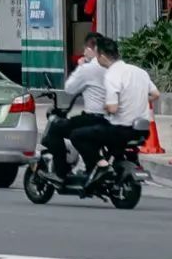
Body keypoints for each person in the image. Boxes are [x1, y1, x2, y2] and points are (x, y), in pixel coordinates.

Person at [72, 36, 158, 185]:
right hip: (142, 131)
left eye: (97, 55)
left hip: (120, 129)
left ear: (102, 57)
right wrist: (136, 101)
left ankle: (102, 165)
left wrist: (106, 107)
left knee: (77, 135)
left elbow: (113, 108)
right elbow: (155, 94)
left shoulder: (112, 75)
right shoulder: (139, 72)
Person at [46, 33, 105, 184]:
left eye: (85, 50)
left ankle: (60, 172)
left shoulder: (88, 68)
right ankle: (90, 168)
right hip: (114, 118)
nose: (84, 53)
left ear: (91, 50)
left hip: (94, 117)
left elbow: (69, 88)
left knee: (56, 129)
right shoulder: (114, 67)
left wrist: (81, 66)